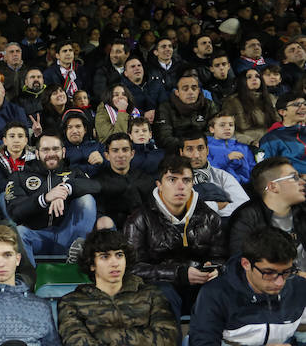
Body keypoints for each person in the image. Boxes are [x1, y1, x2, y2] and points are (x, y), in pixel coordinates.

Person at [189, 226, 306, 346]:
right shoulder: (216, 293)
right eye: (269, 273)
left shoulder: (298, 289)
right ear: (246, 264)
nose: (279, 282)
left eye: (286, 272)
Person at [59, 230, 182, 346]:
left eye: (119, 255)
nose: (114, 262)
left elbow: (167, 344)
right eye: (105, 257)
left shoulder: (151, 295)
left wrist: (105, 335)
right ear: (92, 264)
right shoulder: (72, 302)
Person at [124, 154, 226, 319]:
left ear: (192, 184)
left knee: (218, 289)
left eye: (186, 180)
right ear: (159, 185)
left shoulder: (210, 217)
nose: (180, 186)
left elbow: (222, 259)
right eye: (172, 180)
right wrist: (179, 274)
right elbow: (132, 268)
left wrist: (216, 269)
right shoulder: (139, 219)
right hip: (160, 287)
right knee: (163, 293)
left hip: (200, 284)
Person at [5, 131, 99, 266]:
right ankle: (29, 278)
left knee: (86, 199)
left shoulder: (74, 173)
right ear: (37, 153)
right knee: (19, 232)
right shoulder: (19, 176)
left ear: (63, 152)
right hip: (37, 236)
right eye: (45, 150)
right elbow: (15, 213)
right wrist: (45, 198)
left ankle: (79, 254)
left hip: (67, 237)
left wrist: (65, 189)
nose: (51, 154)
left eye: (55, 149)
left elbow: (96, 186)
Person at [228, 157, 306, 260]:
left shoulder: (302, 210)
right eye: (294, 177)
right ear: (273, 187)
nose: (302, 182)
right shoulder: (246, 217)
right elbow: (240, 261)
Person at [179, 130, 249, 218]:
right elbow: (178, 210)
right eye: (189, 149)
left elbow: (244, 205)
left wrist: (202, 209)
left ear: (207, 150)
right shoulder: (174, 179)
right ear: (181, 152)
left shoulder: (222, 176)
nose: (196, 155)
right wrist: (217, 205)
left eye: (200, 148)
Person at [94, 132, 155, 230]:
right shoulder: (98, 182)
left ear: (132, 154)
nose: (121, 155)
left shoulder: (145, 179)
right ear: (107, 156)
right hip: (112, 233)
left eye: (125, 150)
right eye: (115, 150)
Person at [154, 70, 220, 153]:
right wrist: (188, 147)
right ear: (177, 92)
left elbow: (215, 131)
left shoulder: (208, 105)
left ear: (199, 90)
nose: (190, 92)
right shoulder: (165, 108)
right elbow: (164, 138)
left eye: (194, 88)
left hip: (205, 150)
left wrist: (198, 146)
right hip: (177, 152)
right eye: (185, 89)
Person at [221, 69, 280, 146]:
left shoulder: (271, 99)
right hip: (245, 143)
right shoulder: (232, 102)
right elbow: (227, 130)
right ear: (242, 81)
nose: (254, 79)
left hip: (271, 141)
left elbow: (279, 123)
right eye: (249, 77)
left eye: (257, 76)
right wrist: (251, 142)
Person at [257, 93, 306, 173]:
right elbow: (264, 169)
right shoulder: (271, 139)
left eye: (304, 104)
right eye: (297, 105)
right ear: (282, 112)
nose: (303, 107)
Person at [206, 112, 256, 184]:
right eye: (222, 125)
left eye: (231, 125)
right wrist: (226, 159)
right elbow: (207, 169)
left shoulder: (243, 147)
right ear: (212, 129)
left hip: (245, 185)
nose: (228, 128)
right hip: (219, 185)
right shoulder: (207, 147)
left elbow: (253, 168)